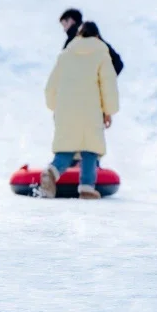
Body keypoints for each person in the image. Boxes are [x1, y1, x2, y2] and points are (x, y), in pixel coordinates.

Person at [40, 22, 120, 200]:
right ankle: (86, 187)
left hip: (66, 110)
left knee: (67, 148)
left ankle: (51, 172)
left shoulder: (65, 55)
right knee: (90, 148)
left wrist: (55, 107)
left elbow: (50, 87)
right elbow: (108, 85)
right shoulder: (102, 54)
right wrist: (109, 111)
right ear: (97, 37)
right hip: (91, 111)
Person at [59, 9, 123, 76]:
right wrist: (103, 80)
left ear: (71, 21)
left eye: (64, 25)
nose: (64, 30)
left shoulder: (71, 41)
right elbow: (118, 63)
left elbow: (63, 67)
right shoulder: (96, 37)